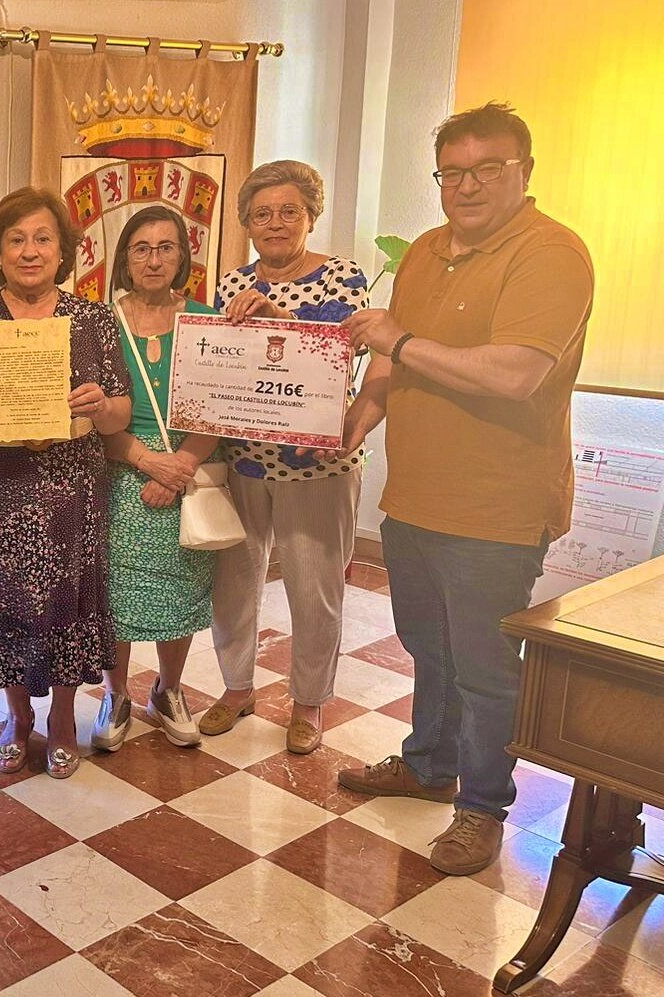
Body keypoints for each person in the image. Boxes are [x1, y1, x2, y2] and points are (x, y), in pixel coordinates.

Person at [336, 102, 593, 875]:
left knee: (485, 666)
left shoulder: (552, 254)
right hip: (414, 494)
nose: (469, 185)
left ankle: (482, 806)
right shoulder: (423, 251)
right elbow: (389, 359)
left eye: (489, 169)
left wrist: (400, 340)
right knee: (429, 647)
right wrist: (353, 419)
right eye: (454, 171)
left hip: (496, 507)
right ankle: (428, 762)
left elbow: (517, 374)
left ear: (525, 172)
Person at [0, 186, 131, 779]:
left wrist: (98, 406)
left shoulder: (91, 319)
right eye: (15, 239)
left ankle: (64, 719)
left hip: (73, 491)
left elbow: (119, 413)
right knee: (6, 604)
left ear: (63, 249)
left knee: (69, 604)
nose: (30, 250)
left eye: (43, 238)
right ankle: (17, 717)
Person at [200, 161, 371, 754]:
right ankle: (236, 687)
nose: (275, 224)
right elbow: (218, 363)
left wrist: (278, 319)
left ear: (310, 216)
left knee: (313, 585)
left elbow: (339, 349)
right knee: (235, 582)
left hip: (318, 463)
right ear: (246, 222)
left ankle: (308, 703)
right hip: (244, 459)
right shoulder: (229, 284)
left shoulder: (343, 276)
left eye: (288, 212)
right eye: (262, 214)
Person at [88, 205, 222, 752]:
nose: (153, 259)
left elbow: (219, 405)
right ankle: (115, 694)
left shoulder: (206, 320)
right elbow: (91, 412)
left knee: (181, 588)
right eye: (141, 248)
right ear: (124, 258)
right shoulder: (98, 322)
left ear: (183, 257)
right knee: (114, 593)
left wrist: (180, 465)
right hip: (119, 471)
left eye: (166, 247)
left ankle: (168, 690)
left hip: (187, 474)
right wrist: (148, 462)